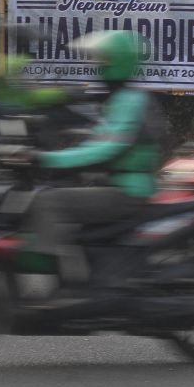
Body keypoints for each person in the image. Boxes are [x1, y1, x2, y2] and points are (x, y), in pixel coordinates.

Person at [25, 30, 164, 298]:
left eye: (103, 60)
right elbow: (101, 138)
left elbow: (108, 147)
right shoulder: (123, 97)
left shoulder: (129, 99)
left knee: (50, 202)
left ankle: (67, 286)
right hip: (118, 183)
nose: (97, 66)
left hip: (126, 191)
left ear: (118, 62)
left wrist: (50, 159)